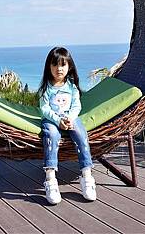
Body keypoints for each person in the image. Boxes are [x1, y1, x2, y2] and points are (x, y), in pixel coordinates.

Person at [37, 46, 96, 205]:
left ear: (69, 66)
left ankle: (87, 175)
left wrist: (69, 118)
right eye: (55, 65)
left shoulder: (71, 86)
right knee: (52, 135)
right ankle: (50, 178)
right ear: (49, 67)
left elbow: (77, 106)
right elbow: (44, 109)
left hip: (70, 118)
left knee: (81, 134)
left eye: (63, 65)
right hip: (51, 120)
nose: (59, 69)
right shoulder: (46, 87)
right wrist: (57, 121)